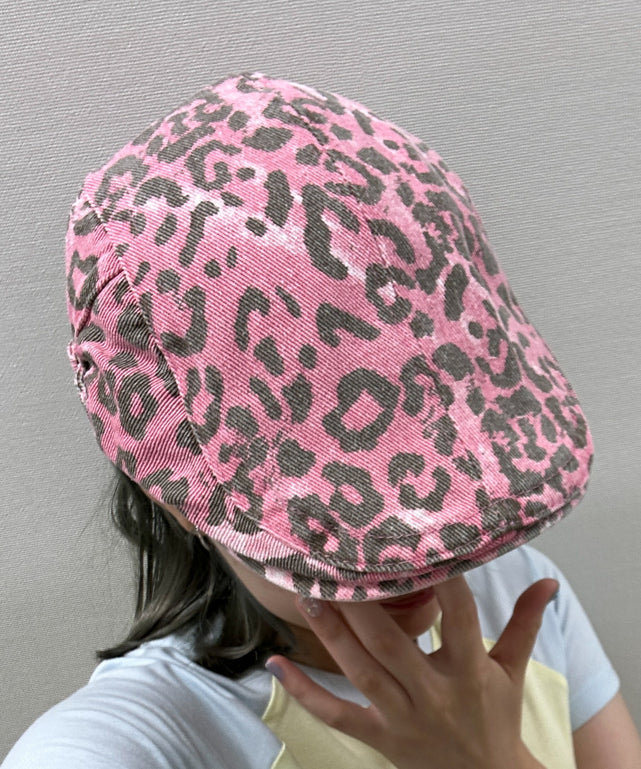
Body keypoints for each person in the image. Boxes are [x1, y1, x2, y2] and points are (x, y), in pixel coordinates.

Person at [3, 71, 640, 769]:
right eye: (359, 476)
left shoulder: (521, 594)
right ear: (170, 482)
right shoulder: (131, 742)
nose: (423, 554)